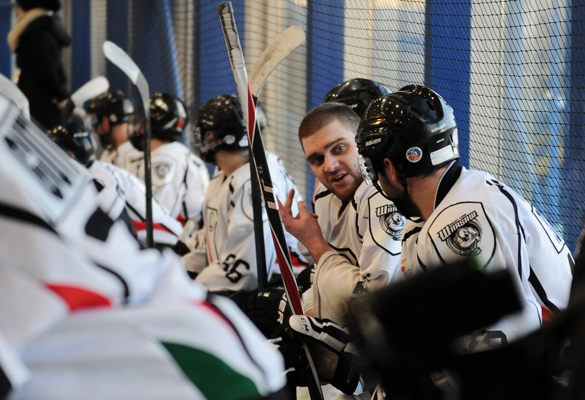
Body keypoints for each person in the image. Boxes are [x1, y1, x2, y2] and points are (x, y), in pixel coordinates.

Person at [0, 86, 288, 399]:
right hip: (184, 318)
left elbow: (246, 263)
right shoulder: (221, 176)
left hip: (202, 345)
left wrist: (195, 275)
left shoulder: (220, 172)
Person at [356, 84, 573, 349]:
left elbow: (500, 342)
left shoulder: (456, 221)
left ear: (389, 168)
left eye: (373, 167)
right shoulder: (463, 197)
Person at [280, 78, 403, 325]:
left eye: (339, 148)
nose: (330, 166)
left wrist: (314, 243)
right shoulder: (326, 192)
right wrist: (311, 311)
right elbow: (323, 273)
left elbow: (375, 301)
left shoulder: (385, 197)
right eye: (317, 158)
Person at [184, 94, 307, 307]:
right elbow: (213, 240)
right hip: (238, 284)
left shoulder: (254, 183)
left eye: (207, 133)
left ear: (218, 137)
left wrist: (189, 290)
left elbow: (247, 269)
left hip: (277, 293)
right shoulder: (226, 173)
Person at [48, 118, 184, 249]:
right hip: (155, 239)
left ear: (71, 154)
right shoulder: (96, 171)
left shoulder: (99, 177)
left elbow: (112, 227)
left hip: (165, 243)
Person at [126, 92, 209, 228]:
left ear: (151, 126)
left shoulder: (164, 159)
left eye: (142, 121)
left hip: (180, 243)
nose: (137, 127)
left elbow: (158, 217)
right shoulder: (174, 153)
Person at [7, 0, 71, 130]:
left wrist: (62, 96)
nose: (18, 12)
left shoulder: (36, 35)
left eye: (20, 7)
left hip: (41, 111)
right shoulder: (41, 30)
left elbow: (48, 72)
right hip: (42, 108)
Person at [85, 89, 140, 166]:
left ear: (106, 121)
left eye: (97, 119)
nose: (94, 129)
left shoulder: (138, 157)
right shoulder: (108, 153)